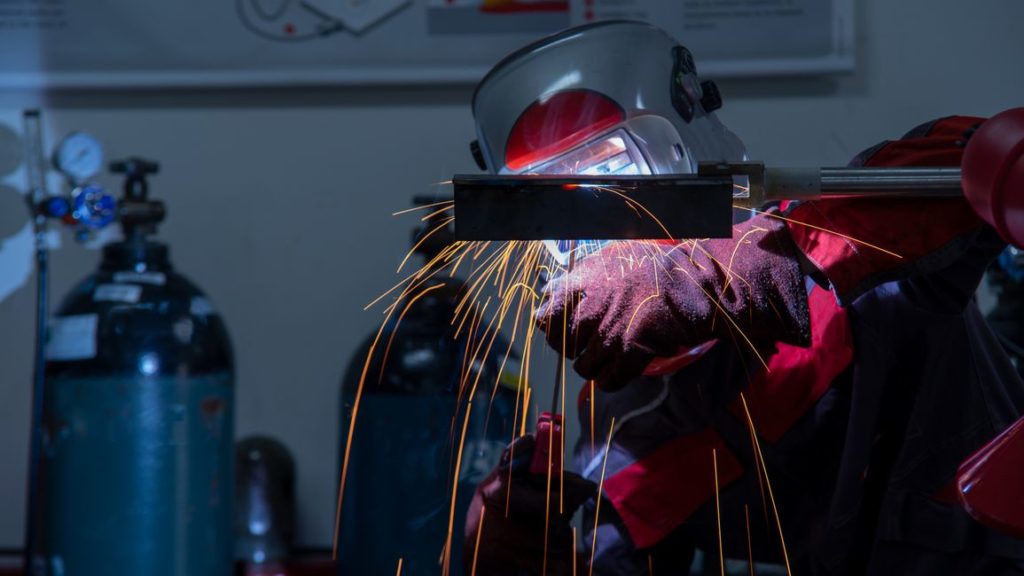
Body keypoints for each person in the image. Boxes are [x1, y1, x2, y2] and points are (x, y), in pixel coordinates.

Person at [464, 20, 1024, 575]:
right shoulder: (624, 419)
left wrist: (736, 274)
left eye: (615, 179)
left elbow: (985, 158)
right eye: (560, 210)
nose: (599, 235)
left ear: (689, 160)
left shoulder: (827, 249)